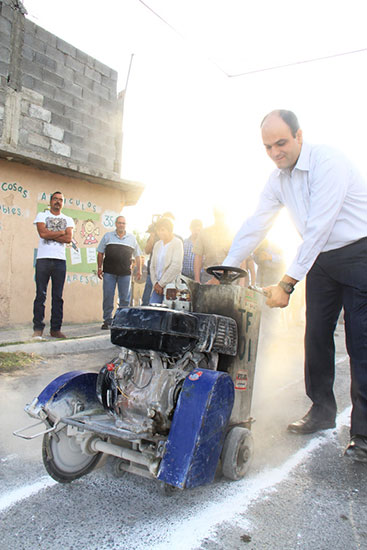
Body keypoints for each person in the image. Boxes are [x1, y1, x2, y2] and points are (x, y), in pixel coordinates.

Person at [220, 109, 367, 462]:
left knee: (360, 340)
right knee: (316, 334)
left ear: (300, 135)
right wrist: (225, 268)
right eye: (268, 146)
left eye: (281, 143)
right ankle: (321, 410)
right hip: (321, 261)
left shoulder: (328, 162)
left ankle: (364, 434)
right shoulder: (278, 180)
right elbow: (257, 222)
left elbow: (319, 227)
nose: (275, 152)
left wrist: (286, 283)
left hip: (359, 253)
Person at [32, 191, 74, 339]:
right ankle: (38, 329)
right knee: (40, 295)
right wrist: (60, 232)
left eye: (60, 200)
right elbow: (42, 234)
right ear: (50, 202)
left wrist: (53, 233)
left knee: (58, 296)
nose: (57, 202)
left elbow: (69, 238)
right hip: (43, 259)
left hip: (59, 261)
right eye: (55, 199)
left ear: (63, 203)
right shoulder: (41, 216)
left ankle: (55, 329)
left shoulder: (68, 219)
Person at [97, 216, 142, 329]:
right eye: (119, 223)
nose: (121, 225)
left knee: (125, 299)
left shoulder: (132, 238)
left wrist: (139, 270)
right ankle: (107, 320)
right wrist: (99, 268)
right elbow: (100, 253)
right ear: (116, 224)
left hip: (125, 274)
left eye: (123, 223)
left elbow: (138, 255)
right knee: (108, 297)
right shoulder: (108, 236)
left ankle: (122, 320)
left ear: (125, 225)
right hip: (109, 273)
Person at [149, 217, 184, 304]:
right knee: (152, 311)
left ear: (170, 230)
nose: (160, 233)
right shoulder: (157, 244)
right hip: (157, 288)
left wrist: (161, 284)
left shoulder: (177, 243)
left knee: (169, 314)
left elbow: (176, 266)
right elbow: (152, 266)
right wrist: (155, 284)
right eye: (158, 230)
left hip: (171, 287)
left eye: (162, 230)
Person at [193, 209, 232, 283]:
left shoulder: (232, 233)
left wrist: (241, 282)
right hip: (209, 275)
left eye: (221, 215)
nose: (219, 218)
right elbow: (198, 256)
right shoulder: (204, 233)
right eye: (217, 215)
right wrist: (197, 280)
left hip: (229, 277)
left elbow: (240, 258)